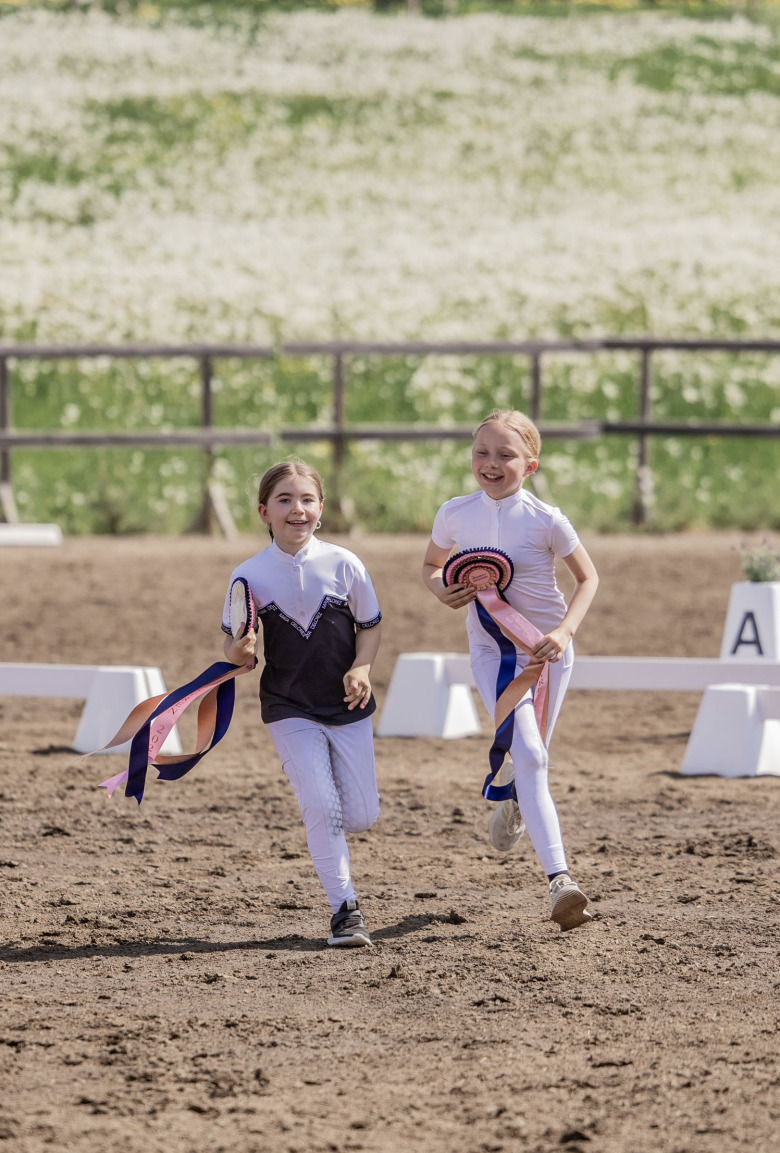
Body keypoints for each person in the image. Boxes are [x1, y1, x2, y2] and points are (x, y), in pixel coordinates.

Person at [422, 410, 599, 931]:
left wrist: (563, 633)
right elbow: (432, 565)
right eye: (482, 453)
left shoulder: (547, 519)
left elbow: (588, 580)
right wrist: (441, 589)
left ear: (531, 465)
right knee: (531, 753)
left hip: (548, 653)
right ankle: (560, 881)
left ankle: (516, 799)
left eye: (505, 455)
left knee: (535, 754)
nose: (491, 464)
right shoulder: (454, 513)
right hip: (493, 654)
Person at [223, 460, 382, 948]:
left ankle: (337, 830)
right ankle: (345, 910)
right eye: (285, 501)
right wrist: (241, 652)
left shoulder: (345, 563)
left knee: (360, 816)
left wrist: (362, 668)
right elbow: (232, 648)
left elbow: (370, 626)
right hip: (288, 705)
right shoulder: (248, 575)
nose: (297, 509)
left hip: (346, 705)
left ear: (321, 507)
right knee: (319, 805)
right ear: (264, 511)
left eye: (307, 500)